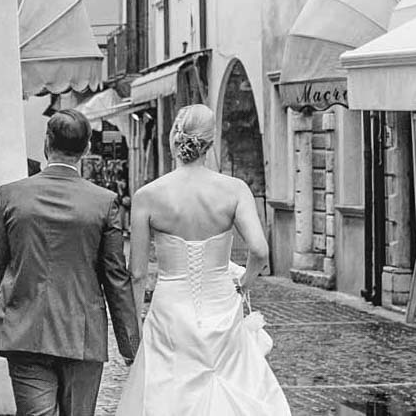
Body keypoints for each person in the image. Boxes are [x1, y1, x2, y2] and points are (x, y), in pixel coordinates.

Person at [117, 105, 290, 416]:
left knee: (168, 390)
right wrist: (244, 284)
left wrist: (134, 327)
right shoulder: (234, 190)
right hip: (220, 301)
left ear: (173, 139)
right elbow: (260, 251)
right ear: (211, 143)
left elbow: (138, 273)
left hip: (170, 307)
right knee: (228, 379)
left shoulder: (147, 195)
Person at [0, 110, 140, 416]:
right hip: (82, 333)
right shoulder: (104, 202)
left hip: (25, 329)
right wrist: (130, 345)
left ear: (46, 143)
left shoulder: (11, 195)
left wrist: (12, 308)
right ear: (87, 149)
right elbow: (115, 278)